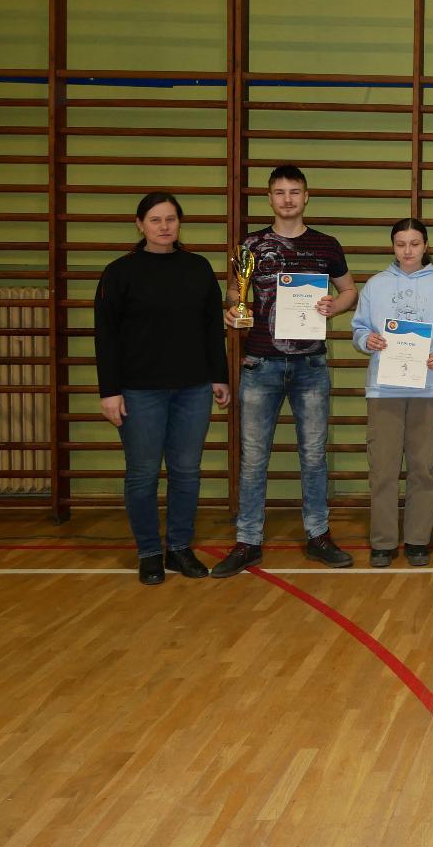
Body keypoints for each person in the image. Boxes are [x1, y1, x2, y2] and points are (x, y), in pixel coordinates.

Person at [213, 165, 357, 578]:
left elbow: (349, 290)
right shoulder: (251, 246)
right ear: (270, 198)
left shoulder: (326, 245)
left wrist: (334, 305)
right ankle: (248, 541)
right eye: (280, 192)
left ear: (306, 196)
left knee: (313, 455)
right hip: (260, 364)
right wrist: (233, 310)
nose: (288, 199)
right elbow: (234, 293)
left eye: (295, 191)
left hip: (311, 365)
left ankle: (318, 535)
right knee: (254, 457)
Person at [94, 191, 230, 585]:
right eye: (155, 220)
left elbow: (211, 327)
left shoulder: (198, 268)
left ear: (179, 223)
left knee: (187, 472)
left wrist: (219, 376)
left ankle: (179, 548)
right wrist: (109, 391)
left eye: (171, 219)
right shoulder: (119, 272)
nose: (164, 226)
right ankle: (150, 552)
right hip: (139, 392)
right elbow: (106, 336)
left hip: (193, 389)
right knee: (143, 474)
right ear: (140, 225)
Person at [350, 217, 433, 568]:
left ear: (425, 246)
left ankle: (417, 539)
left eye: (414, 244)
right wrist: (366, 340)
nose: (408, 251)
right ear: (393, 247)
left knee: (422, 468)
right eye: (401, 244)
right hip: (384, 389)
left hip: (428, 388)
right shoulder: (376, 285)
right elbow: (359, 329)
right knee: (383, 469)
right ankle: (383, 541)